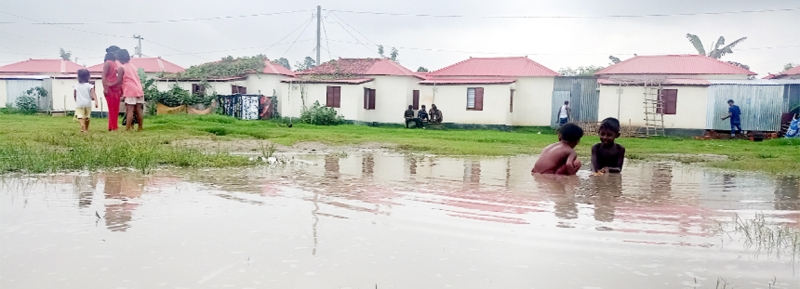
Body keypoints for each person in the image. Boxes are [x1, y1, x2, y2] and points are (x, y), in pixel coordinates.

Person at [112, 49, 145, 131]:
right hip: (139, 89)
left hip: (130, 90)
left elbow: (119, 81)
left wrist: (110, 84)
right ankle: (140, 128)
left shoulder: (121, 68)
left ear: (119, 58)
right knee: (138, 110)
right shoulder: (133, 66)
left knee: (129, 110)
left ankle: (127, 129)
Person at [102, 45, 122, 131]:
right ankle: (113, 126)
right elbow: (103, 76)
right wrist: (105, 87)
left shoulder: (116, 63)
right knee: (112, 109)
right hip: (110, 88)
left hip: (116, 88)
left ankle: (113, 126)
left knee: (116, 108)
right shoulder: (108, 63)